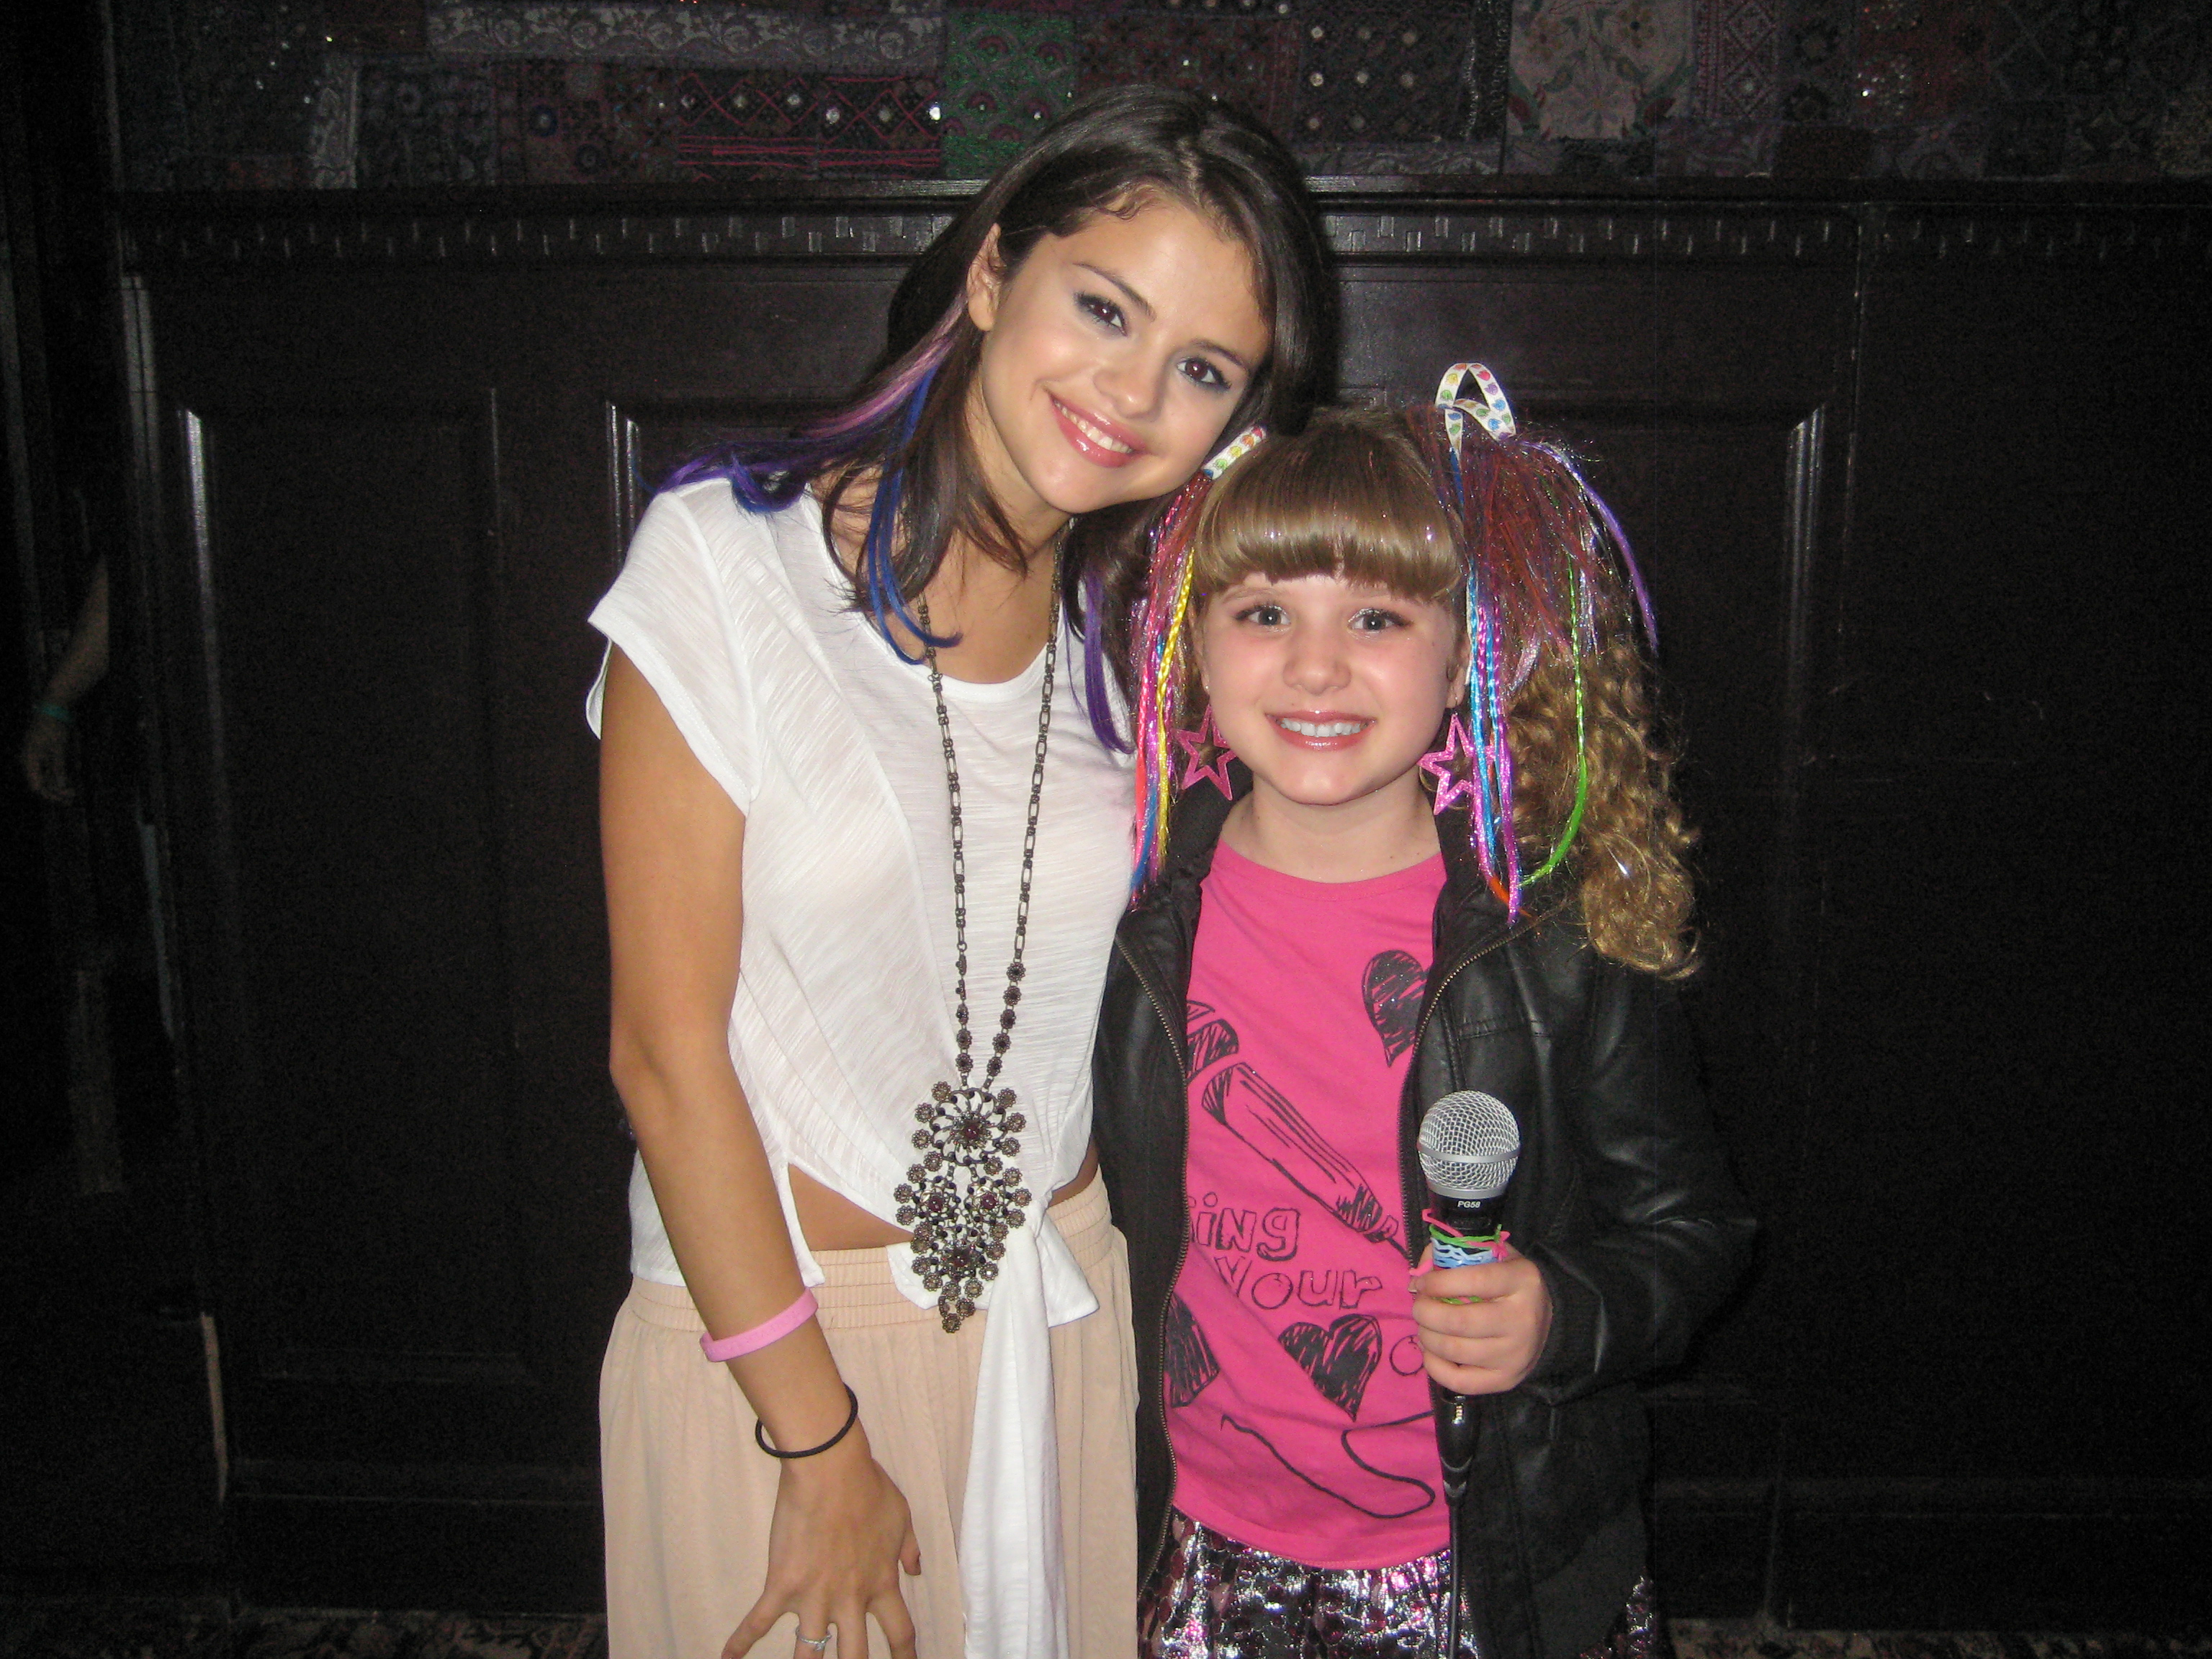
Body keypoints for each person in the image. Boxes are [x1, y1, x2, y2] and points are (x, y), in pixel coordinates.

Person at [588, 86, 1334, 1659]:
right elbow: (664, 1054)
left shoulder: (1155, 648)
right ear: (995, 274)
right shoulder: (726, 562)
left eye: (1201, 368)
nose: (1133, 392)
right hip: (770, 1350)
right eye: (1103, 309)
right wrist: (815, 1437)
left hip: (1058, 1317)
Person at [1091, 386, 1755, 1659]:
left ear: (1463, 661)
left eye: (1380, 617)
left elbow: (1697, 1229)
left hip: (1482, 1560)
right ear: (1195, 640)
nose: (1316, 666)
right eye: (1266, 612)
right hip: (1205, 1542)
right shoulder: (1135, 916)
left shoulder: (1548, 946)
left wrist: (1561, 1311)